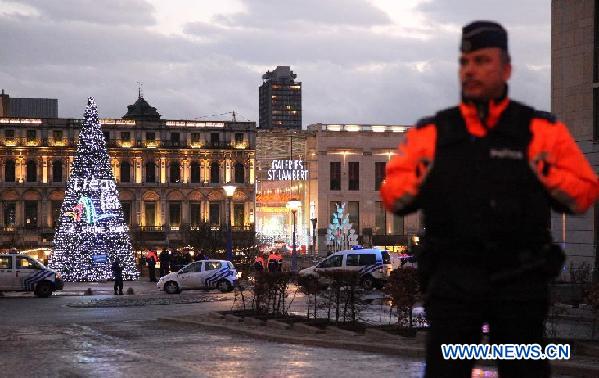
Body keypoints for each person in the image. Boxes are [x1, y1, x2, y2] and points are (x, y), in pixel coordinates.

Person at [381, 20, 599, 377]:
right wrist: (418, 180)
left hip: (519, 280)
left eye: (483, 61)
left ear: (506, 68)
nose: (471, 71)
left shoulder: (538, 131)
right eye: (465, 62)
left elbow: (584, 192)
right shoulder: (432, 133)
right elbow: (394, 195)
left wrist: (546, 174)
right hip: (453, 281)